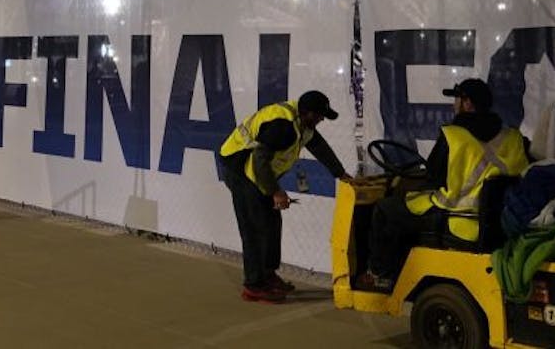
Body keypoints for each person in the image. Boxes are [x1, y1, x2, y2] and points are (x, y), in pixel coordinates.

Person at [356, 78, 529, 292]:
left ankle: (378, 273)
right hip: (498, 221)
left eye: (457, 99)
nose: (454, 104)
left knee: (385, 209)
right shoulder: (512, 137)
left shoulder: (453, 135)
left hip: (458, 217)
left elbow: (433, 178)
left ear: (468, 103)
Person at [218, 90, 357, 303]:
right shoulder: (282, 128)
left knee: (272, 222)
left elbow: (319, 146)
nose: (321, 120)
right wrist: (275, 192)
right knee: (254, 227)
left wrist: (341, 174)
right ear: (307, 113)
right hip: (239, 169)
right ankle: (254, 286)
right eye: (320, 115)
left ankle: (268, 275)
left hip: (258, 172)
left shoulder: (303, 124)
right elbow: (259, 161)